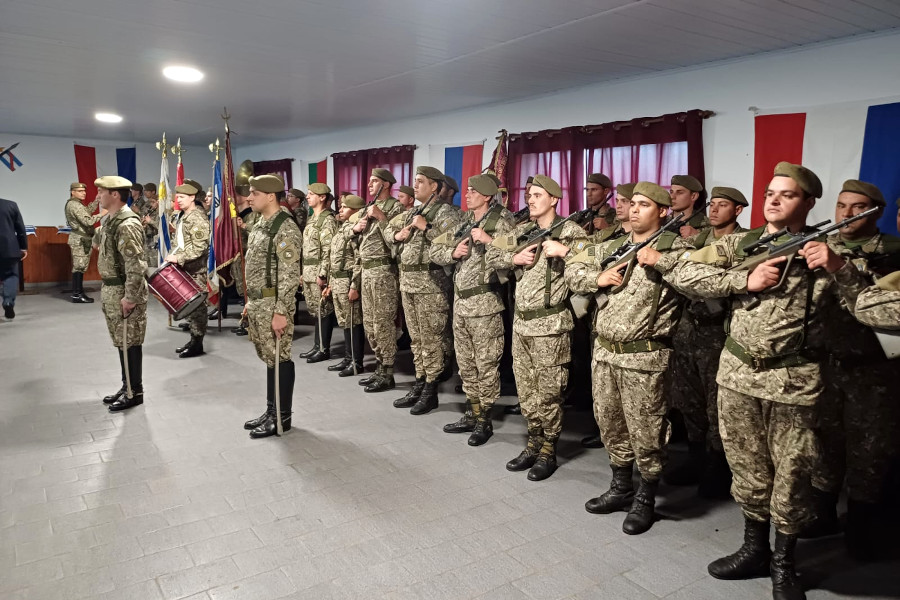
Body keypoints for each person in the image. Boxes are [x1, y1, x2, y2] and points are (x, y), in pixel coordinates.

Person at [651, 162, 870, 600]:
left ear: (808, 203)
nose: (773, 199)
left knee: (792, 475)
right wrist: (743, 280)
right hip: (737, 375)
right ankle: (753, 549)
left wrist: (840, 268)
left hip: (796, 382)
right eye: (770, 192)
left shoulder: (831, 253)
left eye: (786, 194)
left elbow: (882, 309)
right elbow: (683, 272)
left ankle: (784, 564)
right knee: (748, 469)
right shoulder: (742, 244)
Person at [564, 181, 691, 534]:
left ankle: (646, 498)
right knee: (610, 424)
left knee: (647, 433)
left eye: (644, 205)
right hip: (604, 351)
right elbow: (573, 268)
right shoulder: (614, 244)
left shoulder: (677, 249)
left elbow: (700, 283)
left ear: (663, 212)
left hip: (645, 358)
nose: (634, 209)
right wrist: (597, 278)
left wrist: (661, 262)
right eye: (632, 203)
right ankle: (621, 487)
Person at [800, 179, 900, 560]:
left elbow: (880, 307)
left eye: (859, 207)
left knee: (869, 450)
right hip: (825, 363)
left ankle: (862, 529)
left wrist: (842, 267)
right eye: (842, 206)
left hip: (873, 370)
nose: (846, 214)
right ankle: (822, 514)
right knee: (824, 442)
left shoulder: (892, 252)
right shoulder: (819, 245)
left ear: (877, 211)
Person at [488, 174, 586, 480]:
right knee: (527, 391)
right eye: (529, 195)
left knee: (549, 392)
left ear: (554, 199)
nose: (530, 199)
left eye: (537, 195)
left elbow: (597, 260)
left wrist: (567, 252)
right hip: (522, 324)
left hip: (551, 325)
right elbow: (492, 252)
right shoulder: (521, 231)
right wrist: (513, 257)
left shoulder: (572, 232)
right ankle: (533, 442)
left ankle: (549, 450)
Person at [664, 186, 747, 498]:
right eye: (713, 204)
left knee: (716, 405)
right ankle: (696, 456)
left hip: (718, 332)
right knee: (689, 399)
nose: (713, 210)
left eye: (722, 205)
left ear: (737, 211)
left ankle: (718, 465)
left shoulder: (744, 243)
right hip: (689, 328)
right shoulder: (697, 240)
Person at [431, 174, 515, 443]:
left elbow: (512, 253)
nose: (466, 195)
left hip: (486, 304)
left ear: (487, 196)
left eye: (472, 191)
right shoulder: (465, 221)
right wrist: (451, 254)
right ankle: (472, 411)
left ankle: (485, 420)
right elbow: (435, 249)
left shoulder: (502, 221)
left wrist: (489, 239)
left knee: (486, 364)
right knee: (466, 364)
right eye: (466, 190)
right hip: (461, 303)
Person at [388, 166, 461, 415]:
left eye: (420, 182)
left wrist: (426, 228)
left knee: (432, 340)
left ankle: (431, 389)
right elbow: (392, 235)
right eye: (415, 181)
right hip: (409, 282)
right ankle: (420, 382)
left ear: (435, 187)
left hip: (431, 285)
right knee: (417, 339)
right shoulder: (415, 211)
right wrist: (401, 233)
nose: (415, 185)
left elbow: (452, 244)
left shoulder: (445, 213)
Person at [240, 175, 302, 438]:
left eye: (254, 193)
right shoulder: (260, 224)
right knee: (270, 358)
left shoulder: (285, 228)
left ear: (270, 196)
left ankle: (282, 418)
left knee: (280, 357)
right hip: (259, 301)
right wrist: (250, 301)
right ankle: (270, 411)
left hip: (273, 303)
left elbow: (289, 275)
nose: (249, 198)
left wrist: (281, 312)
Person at [93, 176, 148, 412]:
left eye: (101, 192)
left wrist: (130, 297)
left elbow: (136, 264)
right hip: (112, 289)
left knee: (130, 341)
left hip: (124, 290)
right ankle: (127, 385)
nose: (97, 196)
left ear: (115, 195)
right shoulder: (111, 221)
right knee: (121, 341)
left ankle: (135, 392)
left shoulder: (127, 224)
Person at [351, 168, 403, 392]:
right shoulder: (365, 209)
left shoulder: (397, 208)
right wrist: (355, 229)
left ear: (386, 185)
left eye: (374, 181)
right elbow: (357, 248)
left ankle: (388, 371)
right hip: (366, 271)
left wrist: (381, 218)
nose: (370, 185)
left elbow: (395, 241)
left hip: (384, 272)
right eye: (369, 180)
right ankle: (379, 368)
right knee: (371, 325)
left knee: (383, 323)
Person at [165, 181, 210, 358]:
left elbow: (200, 247)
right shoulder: (185, 215)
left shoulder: (197, 217)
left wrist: (179, 258)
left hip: (195, 270)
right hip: (185, 269)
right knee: (189, 307)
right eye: (177, 197)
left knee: (197, 308)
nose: (179, 200)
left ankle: (198, 343)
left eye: (182, 197)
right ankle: (193, 339)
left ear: (192, 197)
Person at [325, 194, 365, 376]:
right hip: (338, 280)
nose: (340, 210)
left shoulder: (357, 231)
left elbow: (359, 260)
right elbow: (334, 259)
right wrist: (331, 283)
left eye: (344, 207)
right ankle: (348, 358)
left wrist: (355, 286)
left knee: (354, 321)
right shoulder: (343, 229)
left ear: (355, 211)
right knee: (344, 322)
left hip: (349, 280)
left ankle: (357, 362)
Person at [298, 183, 338, 362]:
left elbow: (328, 250)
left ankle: (323, 348)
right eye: (307, 194)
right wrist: (303, 271)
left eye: (311, 194)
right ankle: (317, 345)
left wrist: (323, 274)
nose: (308, 197)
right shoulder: (313, 218)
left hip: (318, 272)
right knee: (315, 310)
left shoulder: (327, 220)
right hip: (308, 270)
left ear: (322, 197)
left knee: (324, 310)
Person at [65, 182, 103, 303]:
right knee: (79, 267)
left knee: (80, 267)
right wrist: (103, 213)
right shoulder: (74, 205)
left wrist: (96, 201)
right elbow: (88, 221)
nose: (84, 193)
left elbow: (86, 212)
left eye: (84, 191)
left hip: (82, 239)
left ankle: (79, 293)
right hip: (79, 240)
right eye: (80, 191)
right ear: (73, 192)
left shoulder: (77, 204)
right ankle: (77, 294)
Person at [0, 197, 27, 319]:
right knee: (11, 275)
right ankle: (8, 302)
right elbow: (20, 228)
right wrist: (23, 247)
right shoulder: (11, 205)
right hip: (9, 248)